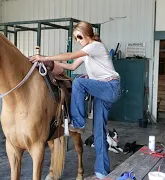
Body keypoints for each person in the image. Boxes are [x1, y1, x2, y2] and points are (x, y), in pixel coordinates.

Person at [29, 21, 121, 180]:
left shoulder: (95, 46)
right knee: (99, 132)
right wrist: (46, 62)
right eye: (76, 38)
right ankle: (102, 172)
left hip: (111, 87)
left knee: (79, 81)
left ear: (88, 34)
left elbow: (71, 56)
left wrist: (45, 57)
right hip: (102, 92)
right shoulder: (87, 53)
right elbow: (70, 66)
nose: (78, 40)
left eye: (79, 37)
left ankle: (78, 122)